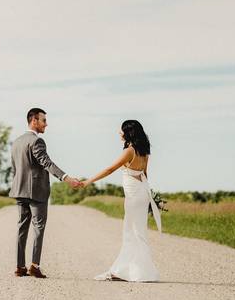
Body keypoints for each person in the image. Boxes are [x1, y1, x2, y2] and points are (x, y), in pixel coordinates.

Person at [80, 119, 161, 282]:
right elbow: (145, 174)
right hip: (142, 193)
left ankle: (128, 271)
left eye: (121, 130)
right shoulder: (144, 151)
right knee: (138, 232)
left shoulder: (130, 151)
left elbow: (109, 169)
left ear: (128, 132)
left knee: (131, 232)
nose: (119, 133)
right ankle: (134, 270)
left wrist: (87, 181)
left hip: (133, 196)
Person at [9, 107, 81, 278]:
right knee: (39, 227)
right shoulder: (37, 141)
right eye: (44, 120)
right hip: (36, 192)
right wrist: (66, 177)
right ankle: (34, 265)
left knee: (21, 228)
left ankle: (20, 267)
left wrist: (17, 185)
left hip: (19, 190)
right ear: (34, 120)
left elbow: (15, 169)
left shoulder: (17, 142)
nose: (46, 124)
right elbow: (46, 163)